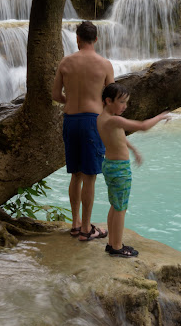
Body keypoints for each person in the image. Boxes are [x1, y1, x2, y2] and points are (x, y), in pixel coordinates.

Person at [52, 21, 114, 242]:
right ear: (96, 39)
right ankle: (87, 229)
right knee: (89, 177)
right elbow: (111, 99)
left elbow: (55, 94)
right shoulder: (104, 64)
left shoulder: (65, 63)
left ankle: (75, 224)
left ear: (77, 38)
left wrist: (72, 101)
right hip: (92, 122)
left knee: (75, 175)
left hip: (70, 120)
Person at [97, 83, 169, 257]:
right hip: (119, 168)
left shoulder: (103, 118)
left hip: (109, 164)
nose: (125, 106)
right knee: (121, 208)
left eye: (126, 102)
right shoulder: (114, 119)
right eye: (121, 102)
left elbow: (119, 136)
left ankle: (111, 243)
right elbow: (143, 126)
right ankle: (117, 247)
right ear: (108, 100)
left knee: (115, 205)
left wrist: (133, 149)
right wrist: (159, 117)